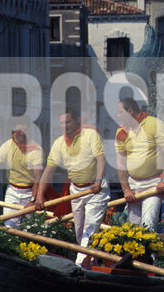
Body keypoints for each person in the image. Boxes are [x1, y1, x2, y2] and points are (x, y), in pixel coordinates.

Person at [35, 109, 109, 267]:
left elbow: (101, 159)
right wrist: (40, 197)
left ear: (76, 120)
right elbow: (49, 171)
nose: (64, 126)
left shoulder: (90, 135)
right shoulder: (59, 143)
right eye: (61, 123)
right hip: (75, 191)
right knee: (79, 233)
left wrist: (97, 181)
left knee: (89, 230)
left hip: (96, 190)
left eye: (67, 122)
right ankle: (93, 264)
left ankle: (79, 266)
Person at [115, 97, 164, 230]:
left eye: (120, 112)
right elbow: (120, 164)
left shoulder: (154, 124)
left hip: (153, 184)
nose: (117, 115)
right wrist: (126, 189)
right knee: (133, 227)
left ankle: (150, 252)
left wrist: (163, 180)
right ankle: (139, 252)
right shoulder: (121, 131)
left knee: (148, 223)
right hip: (133, 185)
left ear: (130, 111)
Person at [0, 123, 43, 228]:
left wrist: (33, 200)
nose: (22, 133)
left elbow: (38, 178)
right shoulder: (7, 146)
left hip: (30, 192)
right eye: (19, 130)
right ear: (14, 129)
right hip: (12, 192)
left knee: (33, 229)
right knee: (10, 227)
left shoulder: (36, 149)